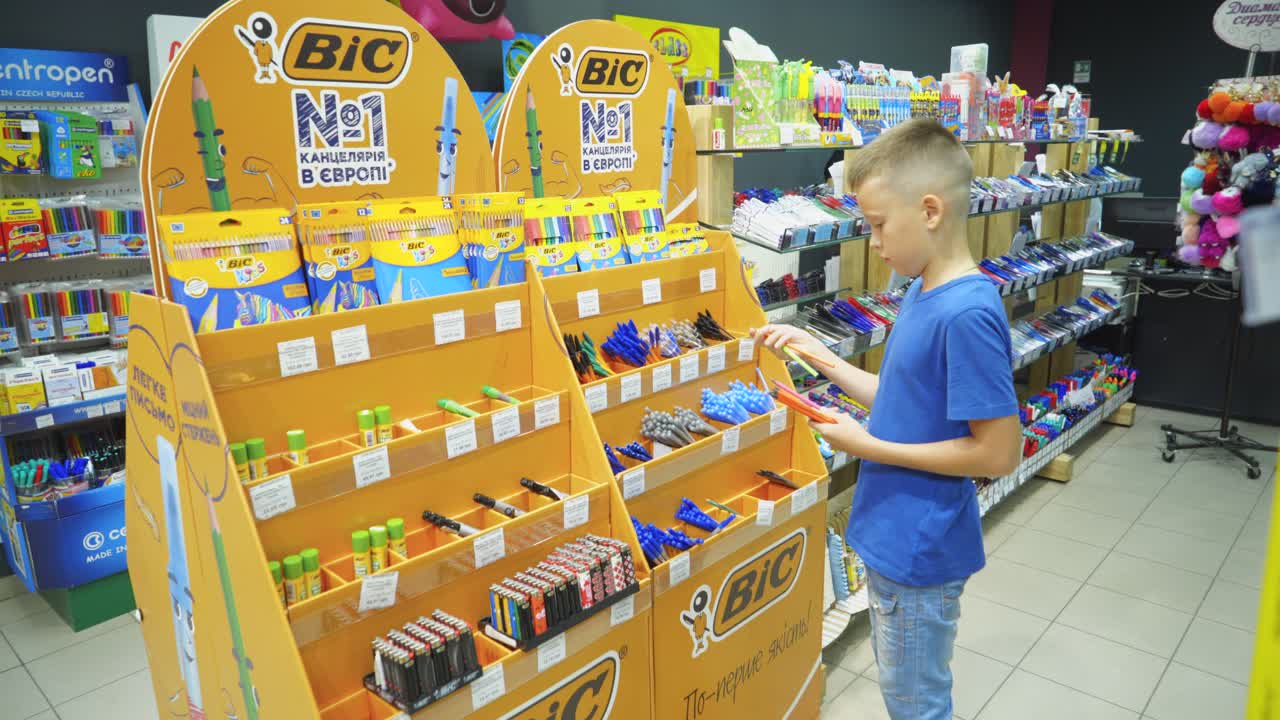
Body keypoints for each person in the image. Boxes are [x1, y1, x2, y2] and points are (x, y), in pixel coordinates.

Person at [752, 118, 1020, 720]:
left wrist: (865, 445)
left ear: (929, 211)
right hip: (896, 535)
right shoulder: (923, 291)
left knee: (916, 705)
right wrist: (820, 357)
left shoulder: (966, 314)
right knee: (905, 693)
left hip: (921, 549)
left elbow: (999, 453)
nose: (873, 242)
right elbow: (905, 401)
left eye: (878, 225)